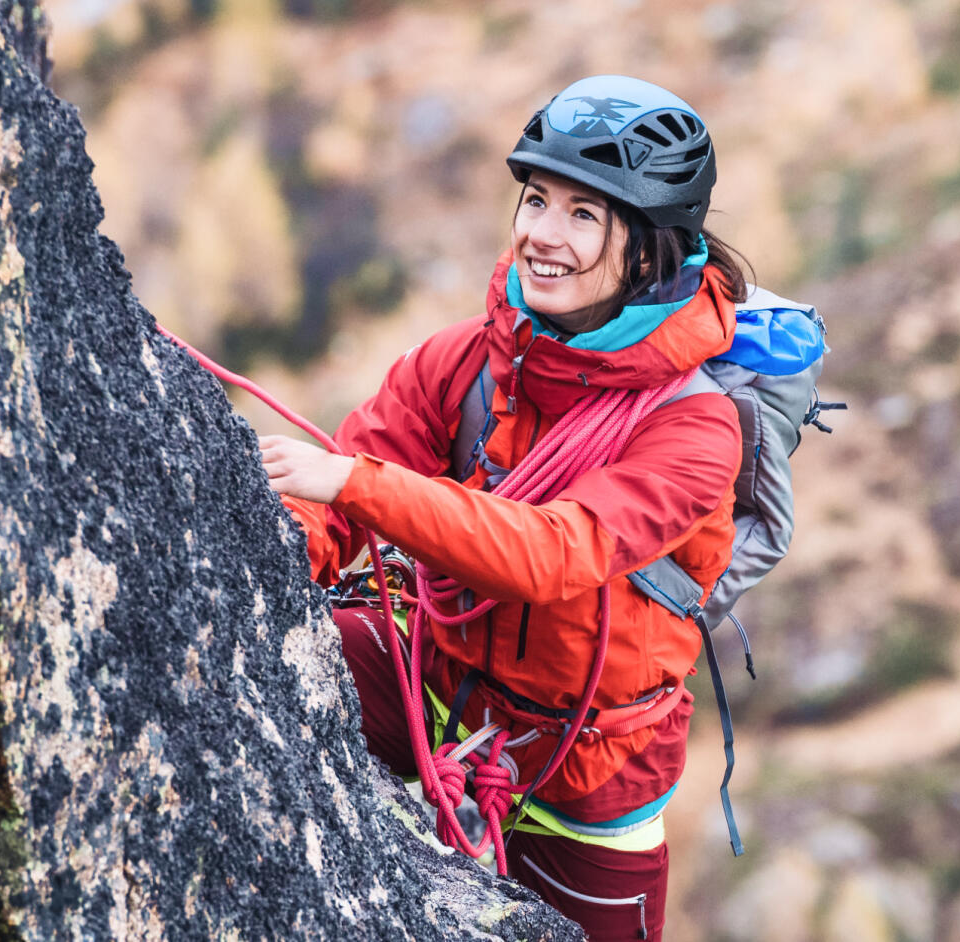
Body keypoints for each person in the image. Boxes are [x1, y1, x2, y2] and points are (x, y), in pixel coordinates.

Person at [259, 74, 753, 941]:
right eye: (535, 200)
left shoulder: (694, 429)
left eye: (582, 214)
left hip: (588, 779)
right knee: (252, 657)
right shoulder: (465, 365)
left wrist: (351, 482)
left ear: (649, 251)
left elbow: (553, 554)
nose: (540, 235)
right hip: (440, 683)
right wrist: (267, 558)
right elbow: (334, 521)